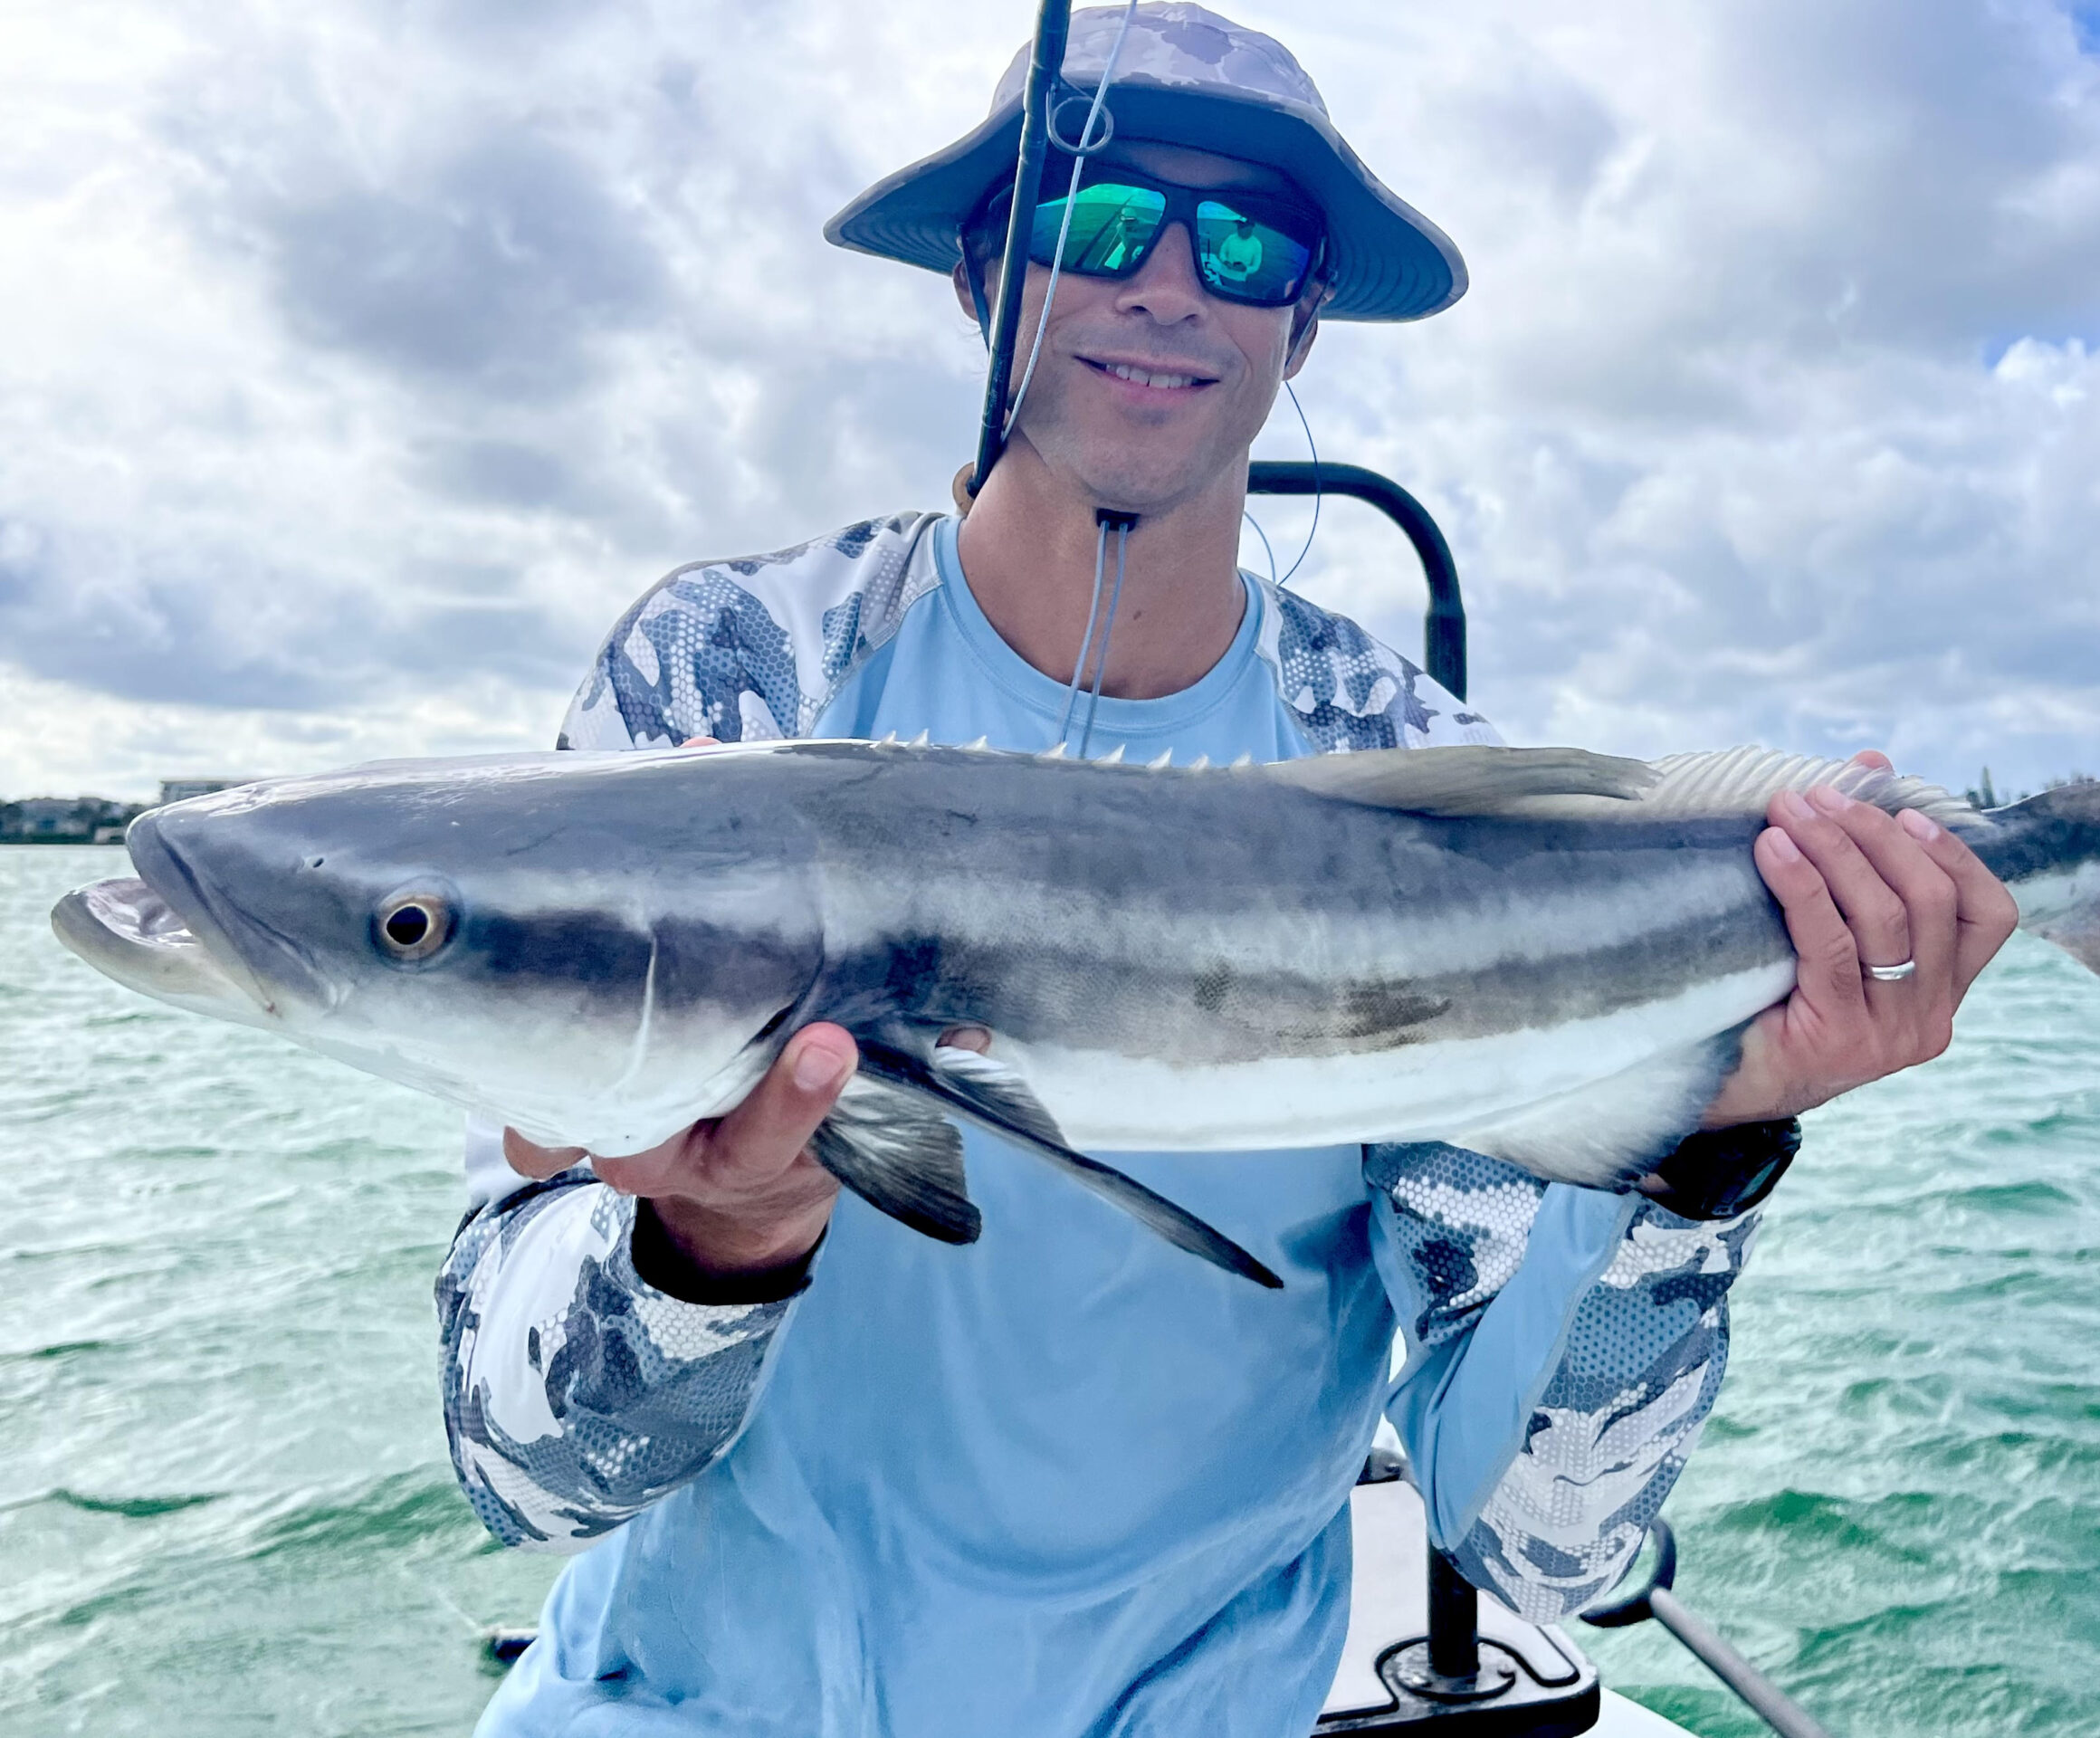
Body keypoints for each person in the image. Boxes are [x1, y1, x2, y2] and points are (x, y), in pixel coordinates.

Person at [437, 7, 2017, 1733]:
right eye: (1094, 220)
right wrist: (707, 1243)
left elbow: (1551, 1551)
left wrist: (1703, 1142)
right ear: (982, 273)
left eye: (1248, 244)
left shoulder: (1420, 789)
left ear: (1302, 323)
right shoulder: (732, 685)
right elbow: (523, 1481)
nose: (1170, 283)